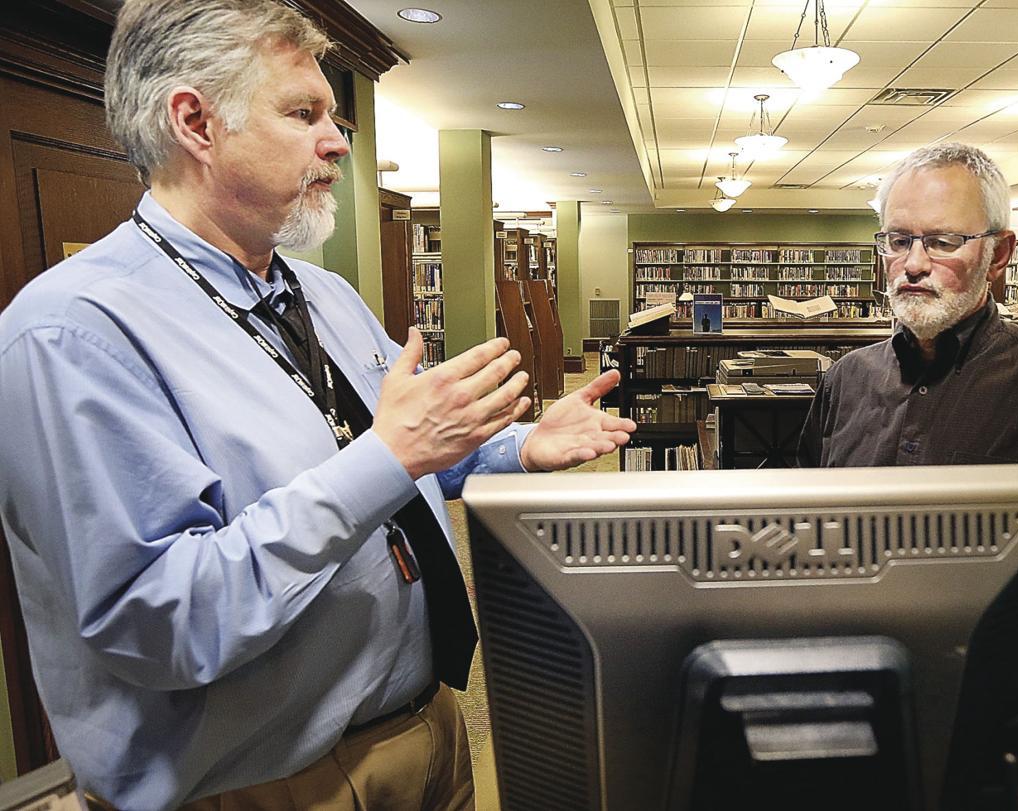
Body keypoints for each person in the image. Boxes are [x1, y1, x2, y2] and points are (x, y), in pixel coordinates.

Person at [0, 2, 635, 809]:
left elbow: (398, 456)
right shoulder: (72, 334)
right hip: (263, 783)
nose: (338, 141)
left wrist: (515, 446)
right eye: (304, 114)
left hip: (432, 726)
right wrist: (389, 455)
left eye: (332, 116)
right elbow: (163, 621)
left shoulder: (325, 295)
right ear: (195, 123)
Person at [798, 143, 1018, 467]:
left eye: (943, 242)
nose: (913, 264)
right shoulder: (847, 378)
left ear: (998, 255)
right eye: (899, 241)